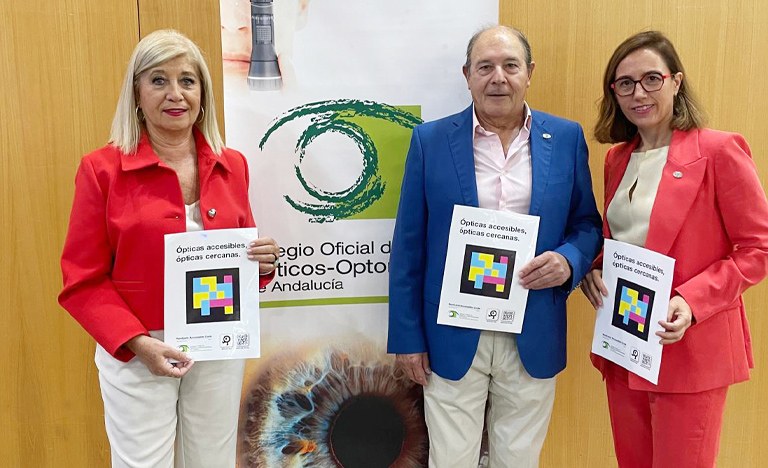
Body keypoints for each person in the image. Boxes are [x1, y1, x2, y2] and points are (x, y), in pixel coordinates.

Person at [58, 30, 280, 468]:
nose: (175, 94)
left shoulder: (231, 163)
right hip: (138, 351)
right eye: (158, 80)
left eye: (188, 81)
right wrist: (138, 343)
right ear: (137, 94)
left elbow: (240, 256)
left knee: (212, 461)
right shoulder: (101, 169)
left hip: (218, 341)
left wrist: (261, 262)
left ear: (203, 93)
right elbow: (81, 280)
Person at [387, 25, 602, 467]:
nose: (497, 77)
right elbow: (409, 247)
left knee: (518, 458)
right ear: (467, 75)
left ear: (530, 73)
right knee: (450, 458)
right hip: (451, 329)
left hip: (534, 323)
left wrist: (569, 260)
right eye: (484, 67)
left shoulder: (564, 138)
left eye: (510, 65)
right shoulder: (430, 141)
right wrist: (407, 338)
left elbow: (586, 224)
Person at [581, 30, 768, 467]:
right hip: (625, 341)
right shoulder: (617, 158)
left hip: (688, 347)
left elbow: (757, 248)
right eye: (624, 83)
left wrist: (691, 300)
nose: (638, 93)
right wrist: (595, 267)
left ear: (676, 82)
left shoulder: (720, 150)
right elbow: (625, 238)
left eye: (651, 79)